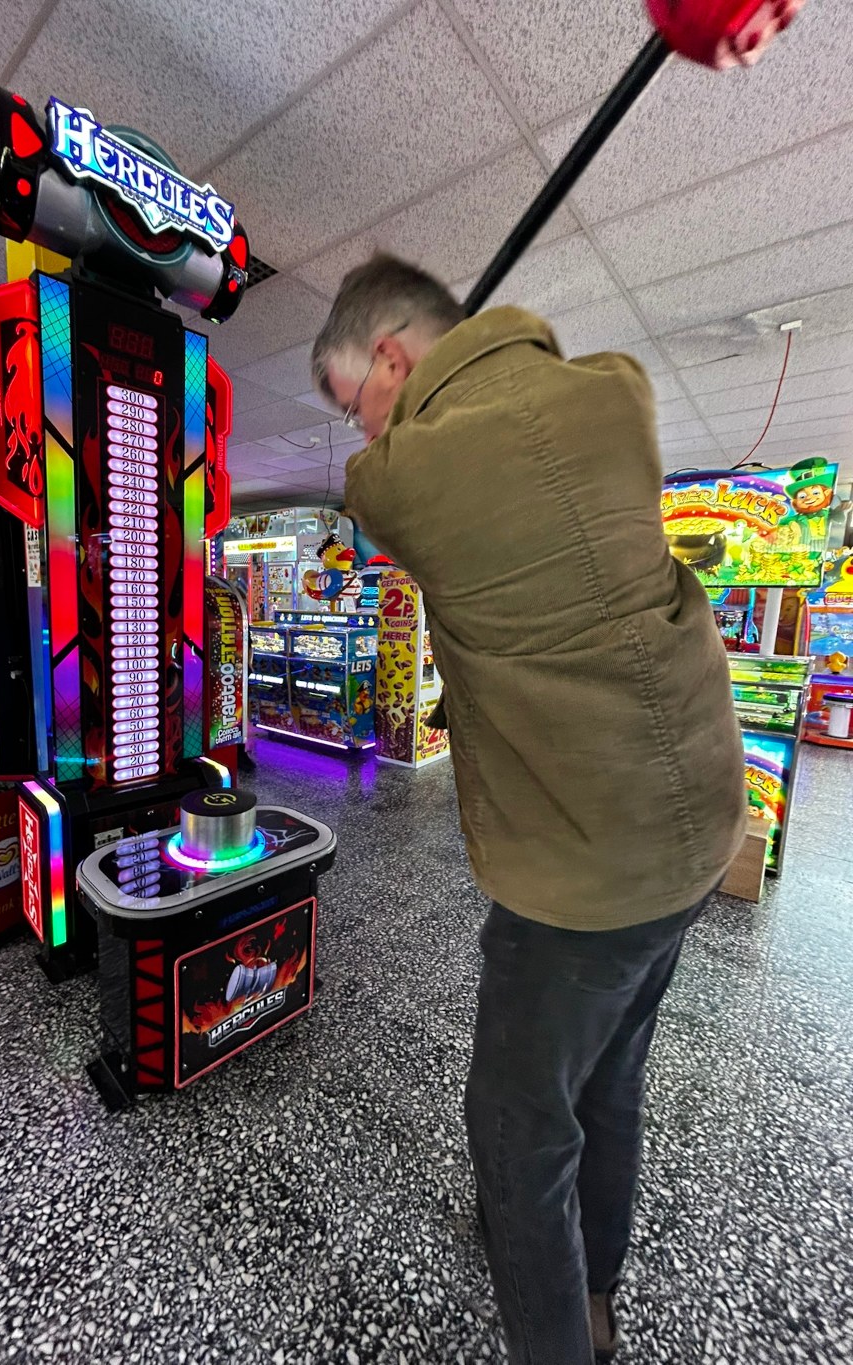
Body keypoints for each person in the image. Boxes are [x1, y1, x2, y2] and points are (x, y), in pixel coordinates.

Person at [311, 255, 747, 1365]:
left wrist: (397, 421)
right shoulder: (613, 393)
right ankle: (590, 1282)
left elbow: (366, 491)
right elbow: (539, 353)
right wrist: (457, 364)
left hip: (585, 865)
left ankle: (559, 1336)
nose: (359, 434)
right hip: (699, 822)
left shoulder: (402, 479)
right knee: (608, 1074)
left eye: (352, 402)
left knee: (514, 1128)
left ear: (395, 362)